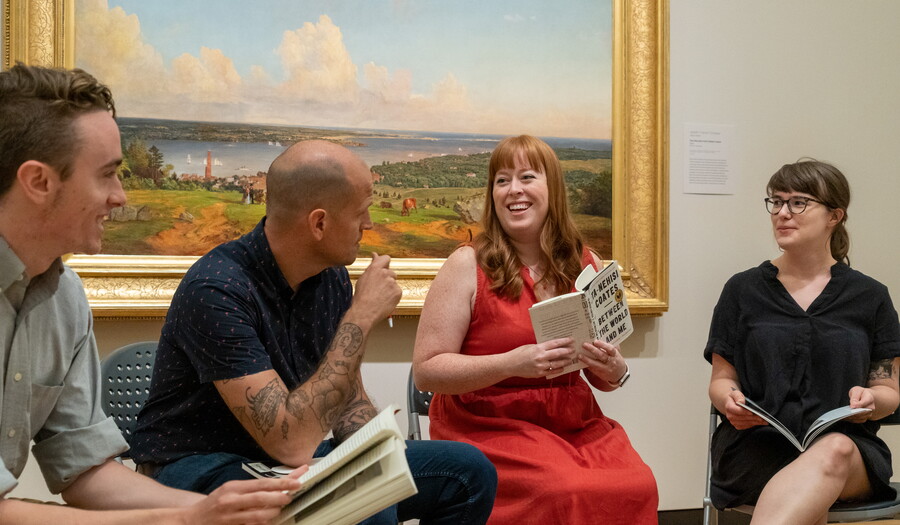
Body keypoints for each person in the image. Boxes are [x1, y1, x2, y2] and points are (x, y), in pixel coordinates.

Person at [130, 139, 498, 524]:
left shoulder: (330, 278)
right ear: (319, 223)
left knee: (469, 473)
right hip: (198, 467)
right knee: (368, 508)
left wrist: (379, 455)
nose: (369, 224)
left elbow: (345, 400)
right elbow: (288, 440)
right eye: (361, 212)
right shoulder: (217, 289)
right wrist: (361, 316)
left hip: (287, 459)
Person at [0, 63, 302, 524]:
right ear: (38, 182)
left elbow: (86, 471)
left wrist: (228, 510)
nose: (120, 196)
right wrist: (183, 520)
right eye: (106, 175)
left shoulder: (63, 298)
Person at [413, 135, 658, 524]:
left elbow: (603, 375)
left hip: (573, 421)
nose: (514, 190)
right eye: (502, 180)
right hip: (487, 424)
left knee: (638, 484)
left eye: (527, 177)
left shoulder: (586, 261)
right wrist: (512, 363)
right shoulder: (465, 265)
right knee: (562, 489)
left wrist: (612, 368)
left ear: (552, 189)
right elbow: (428, 371)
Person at [705, 159, 900, 525]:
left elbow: (888, 390)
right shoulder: (742, 290)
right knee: (808, 493)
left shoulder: (870, 296)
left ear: (834, 216)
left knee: (834, 451)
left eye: (798, 202)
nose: (782, 213)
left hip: (847, 450)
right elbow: (720, 380)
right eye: (776, 202)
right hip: (757, 448)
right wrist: (728, 401)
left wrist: (872, 400)